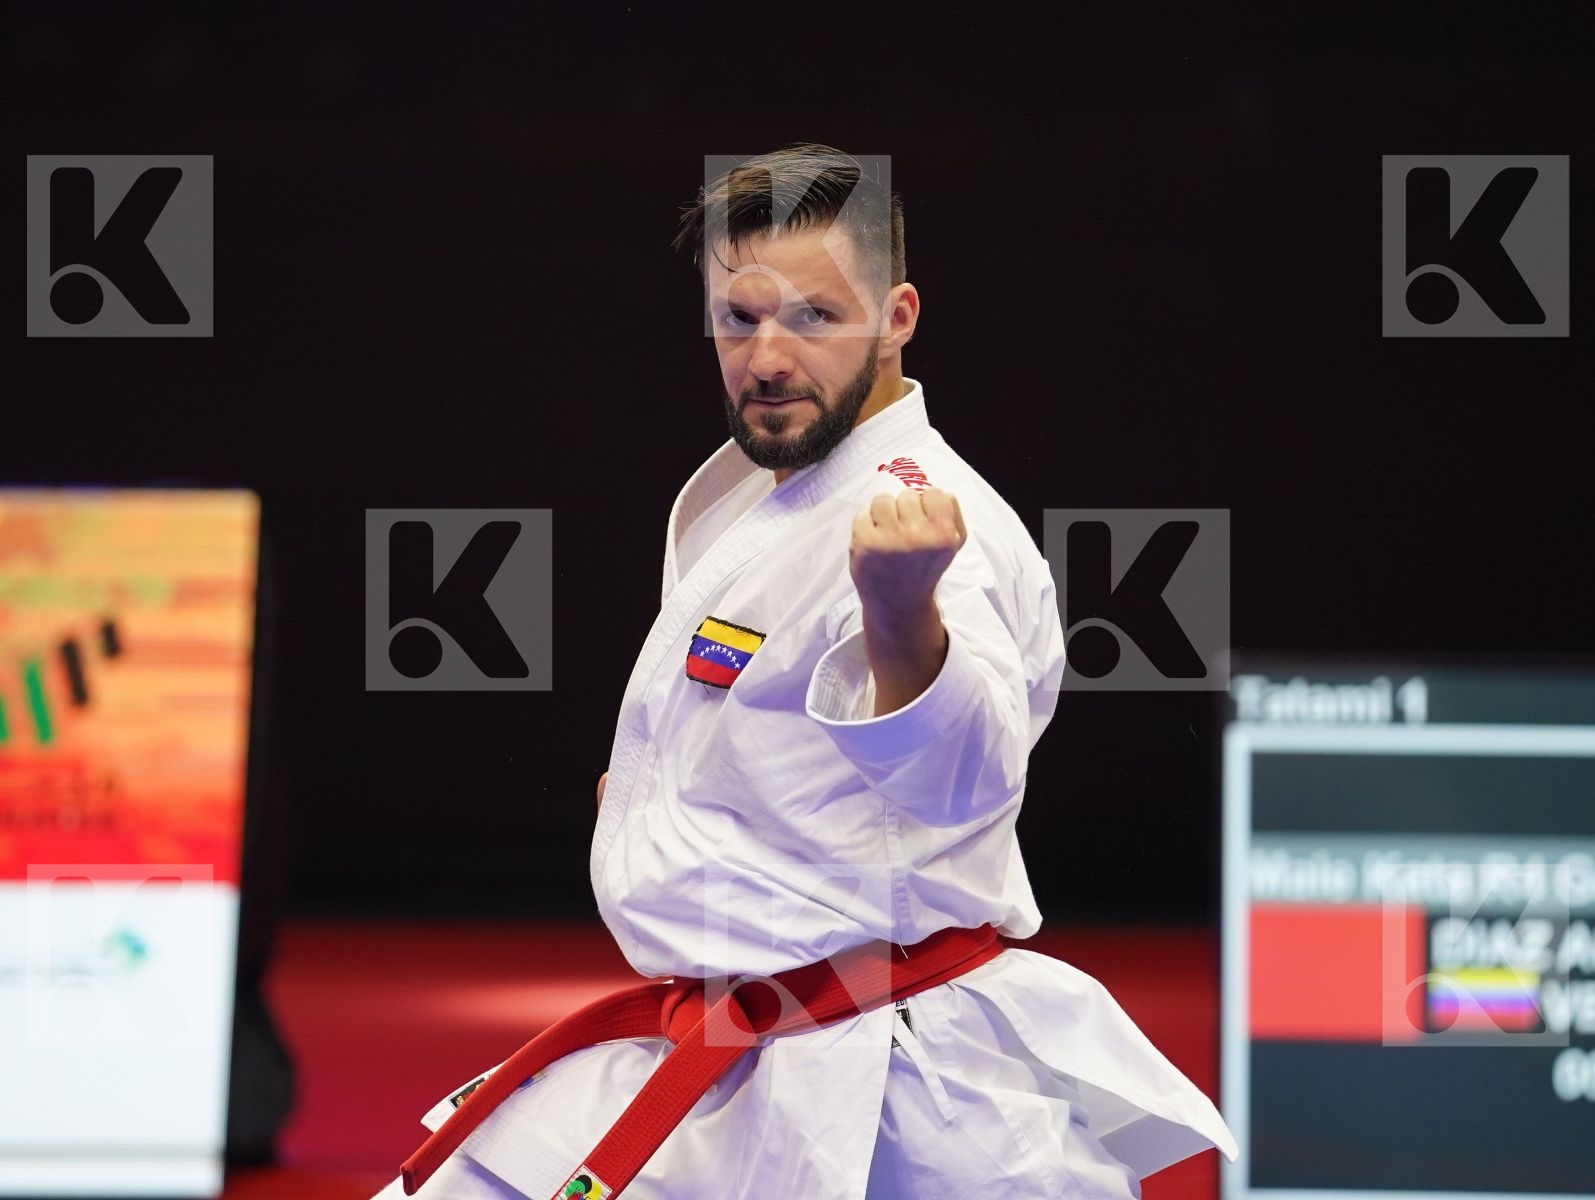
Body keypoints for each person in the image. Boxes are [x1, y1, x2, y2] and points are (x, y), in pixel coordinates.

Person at [377, 143, 1237, 1199]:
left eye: (814, 318)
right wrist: (658, 808)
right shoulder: (757, 490)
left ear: (897, 317)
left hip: (884, 1081)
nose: (767, 356)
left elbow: (960, 779)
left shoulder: (915, 521)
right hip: (726, 1042)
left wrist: (899, 611)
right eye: (739, 319)